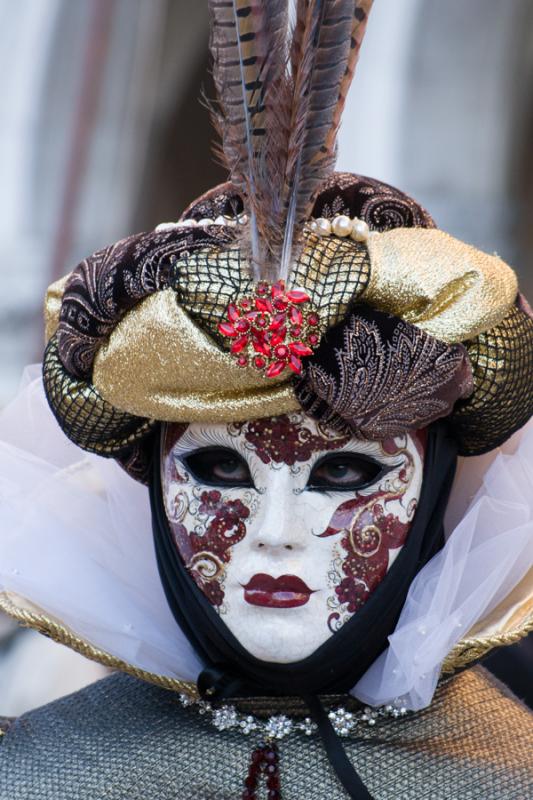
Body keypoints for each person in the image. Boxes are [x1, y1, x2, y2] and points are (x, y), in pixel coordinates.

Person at [1, 2, 532, 798]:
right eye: (219, 468)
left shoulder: (504, 778)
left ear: (436, 492)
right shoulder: (42, 771)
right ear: (150, 476)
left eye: (345, 475)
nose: (275, 537)